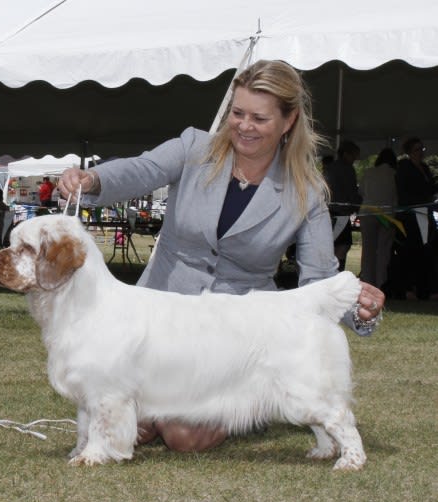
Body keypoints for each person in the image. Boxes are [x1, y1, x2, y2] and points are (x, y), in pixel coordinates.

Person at [58, 59, 385, 454]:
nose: (244, 126)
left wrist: (360, 309)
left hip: (234, 339)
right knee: (127, 420)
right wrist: (94, 179)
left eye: (259, 118)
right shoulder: (194, 147)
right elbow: (141, 170)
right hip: (157, 324)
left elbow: (318, 279)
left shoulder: (306, 191)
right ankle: (148, 405)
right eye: (237, 113)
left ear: (288, 121)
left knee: (184, 438)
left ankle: (209, 401)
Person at [392, 137, 437, 299]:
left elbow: (431, 188)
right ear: (410, 151)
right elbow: (404, 191)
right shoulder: (404, 167)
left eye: (422, 149)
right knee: (410, 251)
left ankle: (426, 288)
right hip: (410, 216)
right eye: (417, 149)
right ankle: (408, 288)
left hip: (426, 212)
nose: (421, 153)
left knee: (427, 251)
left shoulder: (425, 167)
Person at [359, 148, 398, 289]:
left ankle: (367, 282)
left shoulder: (368, 173)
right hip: (387, 216)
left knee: (368, 250)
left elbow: (361, 191)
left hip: (367, 213)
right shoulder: (394, 174)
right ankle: (381, 283)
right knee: (383, 250)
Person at [322, 140, 362, 271]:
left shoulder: (329, 168)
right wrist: (357, 205)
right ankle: (336, 275)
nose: (354, 159)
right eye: (353, 156)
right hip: (341, 213)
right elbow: (352, 192)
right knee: (342, 247)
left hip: (328, 212)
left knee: (331, 246)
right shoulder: (347, 169)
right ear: (346, 154)